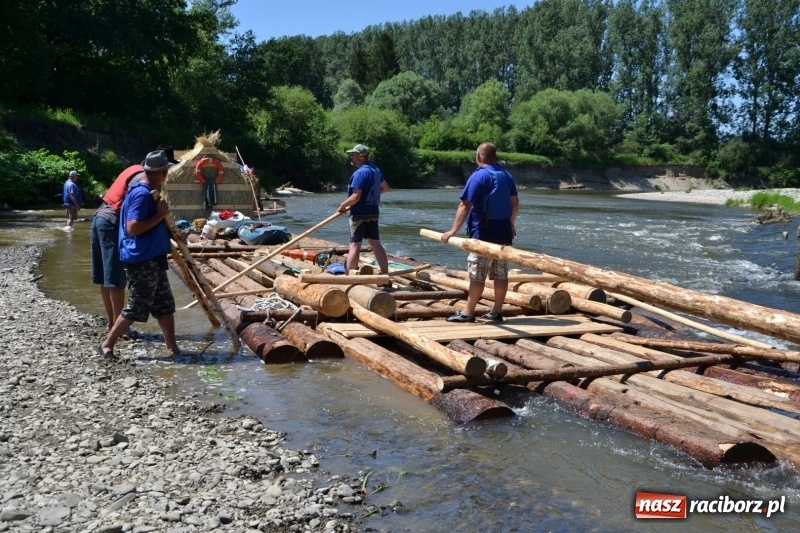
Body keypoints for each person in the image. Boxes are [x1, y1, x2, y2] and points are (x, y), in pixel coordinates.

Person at [99, 150, 180, 358]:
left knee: (164, 303)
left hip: (153, 257)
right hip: (142, 258)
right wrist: (160, 216)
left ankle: (172, 347)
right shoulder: (142, 194)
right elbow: (132, 227)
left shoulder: (146, 191)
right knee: (138, 304)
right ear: (162, 173)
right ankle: (107, 344)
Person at [441, 142, 519, 323]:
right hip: (503, 233)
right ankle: (497, 311)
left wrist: (452, 230)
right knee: (501, 273)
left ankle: (467, 313)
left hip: (483, 233)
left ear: (478, 156)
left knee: (477, 275)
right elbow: (515, 202)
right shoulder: (506, 175)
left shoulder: (479, 177)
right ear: (495, 156)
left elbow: (465, 205)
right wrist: (511, 223)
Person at [337, 144, 390, 274]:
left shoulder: (360, 173)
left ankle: (350, 276)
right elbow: (385, 188)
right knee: (376, 243)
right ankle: (385, 274)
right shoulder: (375, 170)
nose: (351, 157)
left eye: (353, 155)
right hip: (373, 212)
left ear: (361, 157)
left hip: (359, 213)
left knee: (355, 244)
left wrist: (342, 206)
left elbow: (356, 196)